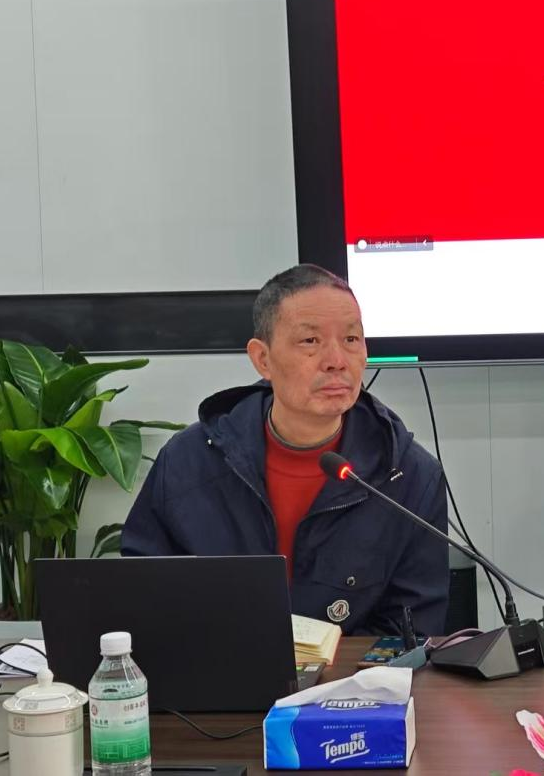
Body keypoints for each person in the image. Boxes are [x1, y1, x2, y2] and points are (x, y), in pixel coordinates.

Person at [122, 264, 449, 636]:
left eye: (351, 339)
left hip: (350, 673)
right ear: (263, 359)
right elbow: (144, 596)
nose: (337, 360)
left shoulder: (407, 475)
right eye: (310, 341)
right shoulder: (188, 461)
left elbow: (410, 629)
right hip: (218, 665)